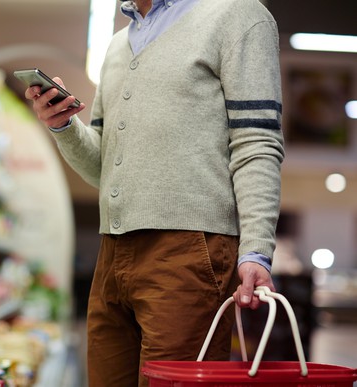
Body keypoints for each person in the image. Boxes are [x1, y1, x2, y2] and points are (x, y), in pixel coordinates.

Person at [24, 0, 285, 385]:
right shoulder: (116, 45)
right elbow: (103, 167)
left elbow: (256, 142)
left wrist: (257, 250)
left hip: (190, 252)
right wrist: (64, 125)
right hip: (112, 253)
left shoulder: (238, 15)